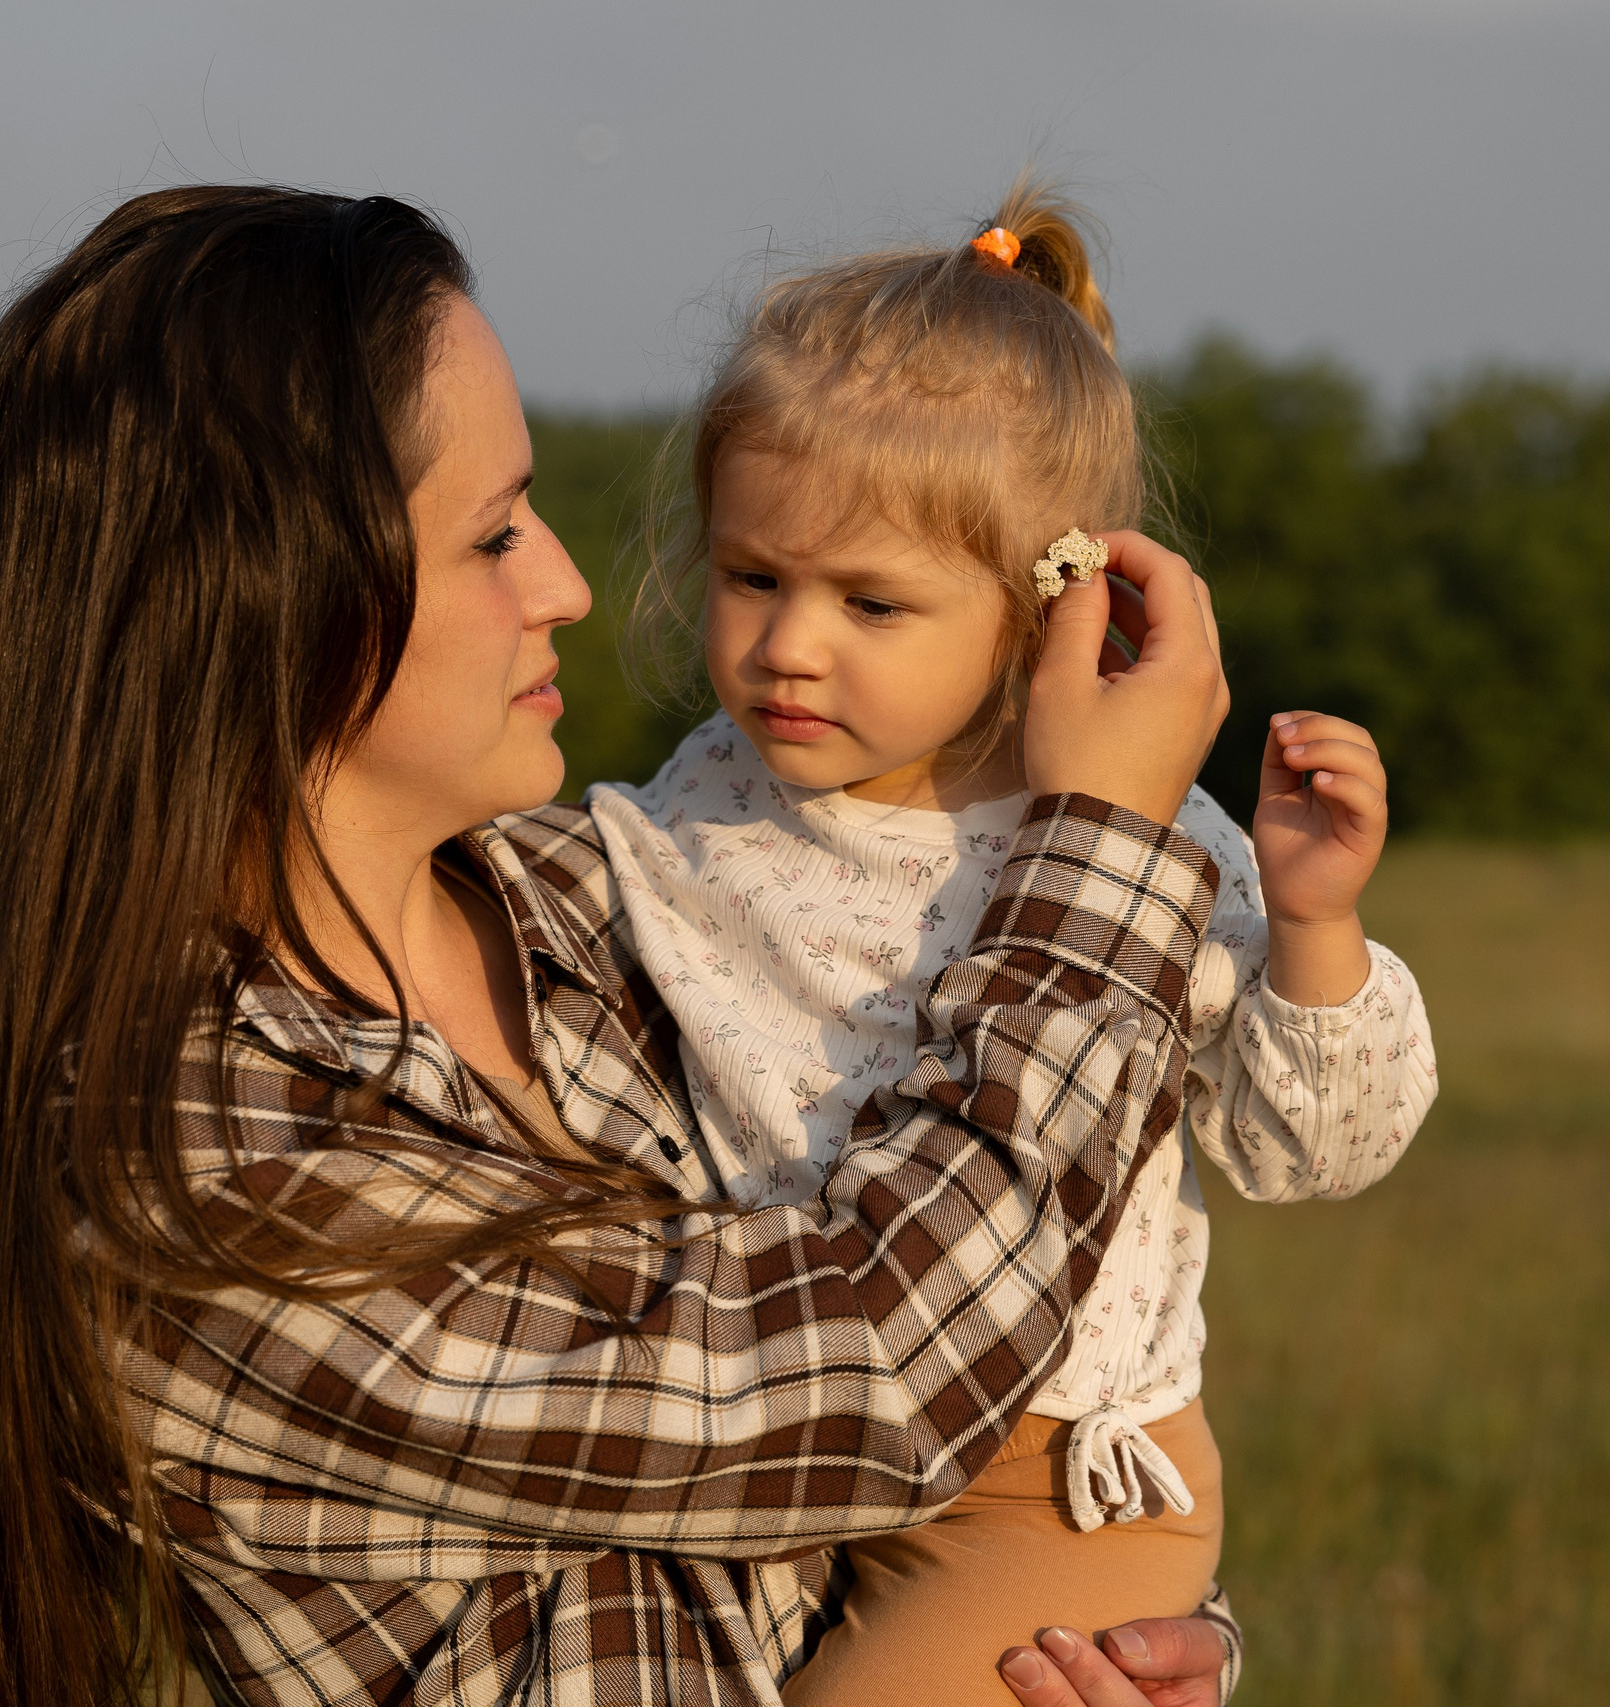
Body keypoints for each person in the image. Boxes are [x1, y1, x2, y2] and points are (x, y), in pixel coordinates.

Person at [0, 184, 1246, 1707]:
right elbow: (867, 1384)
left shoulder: (616, 910)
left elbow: (904, 1506)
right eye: (493, 536)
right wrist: (1098, 851)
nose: (565, 583)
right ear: (272, 598)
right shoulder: (174, 1199)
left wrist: (1119, 1647)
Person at [584, 183, 1439, 1705]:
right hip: (783, 1426)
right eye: (752, 577)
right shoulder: (709, 785)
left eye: (872, 600)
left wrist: (1313, 924)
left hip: (1053, 1488)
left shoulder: (1128, 824)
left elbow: (1313, 1148)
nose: (789, 645)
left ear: (1046, 601)